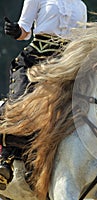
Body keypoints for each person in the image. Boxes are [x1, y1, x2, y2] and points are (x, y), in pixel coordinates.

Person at [0, 0, 87, 190]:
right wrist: (17, 31)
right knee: (20, 102)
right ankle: (6, 158)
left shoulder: (81, 5)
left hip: (67, 63)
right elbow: (25, 30)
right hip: (37, 58)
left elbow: (81, 41)